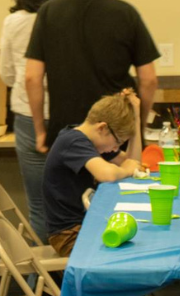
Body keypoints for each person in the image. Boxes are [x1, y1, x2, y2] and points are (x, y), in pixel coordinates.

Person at [25, 0, 159, 154]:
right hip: (115, 135)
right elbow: (149, 79)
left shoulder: (49, 12)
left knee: (71, 188)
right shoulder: (125, 14)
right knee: (119, 187)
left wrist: (41, 131)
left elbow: (32, 77)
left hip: (66, 133)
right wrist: (137, 126)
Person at [0, 0, 70, 242]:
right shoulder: (67, 16)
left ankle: (38, 283)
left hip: (28, 117)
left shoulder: (14, 22)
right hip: (68, 113)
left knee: (39, 207)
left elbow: (6, 75)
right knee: (74, 200)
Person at [43, 92, 143, 257]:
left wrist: (137, 118)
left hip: (83, 226)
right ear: (102, 128)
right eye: (118, 142)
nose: (114, 149)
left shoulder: (91, 141)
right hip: (69, 235)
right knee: (130, 255)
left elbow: (133, 163)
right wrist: (126, 169)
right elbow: (108, 174)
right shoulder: (73, 142)